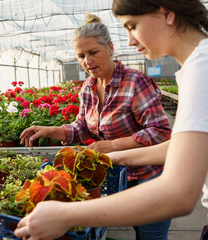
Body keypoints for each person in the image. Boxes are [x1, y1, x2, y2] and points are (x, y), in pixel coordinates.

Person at [14, 0, 208, 239]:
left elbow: (179, 193)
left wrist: (68, 214)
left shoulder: (206, 66)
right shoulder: (203, 62)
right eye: (81, 55)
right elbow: (181, 147)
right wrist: (109, 157)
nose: (130, 41)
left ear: (167, 14)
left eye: (132, 26)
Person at [20, 13, 172, 239]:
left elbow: (160, 132)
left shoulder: (135, 82)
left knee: (151, 236)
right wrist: (50, 131)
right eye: (81, 56)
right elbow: (81, 127)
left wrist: (112, 146)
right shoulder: (88, 88)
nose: (87, 61)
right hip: (114, 177)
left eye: (93, 52)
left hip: (147, 178)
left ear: (110, 48)